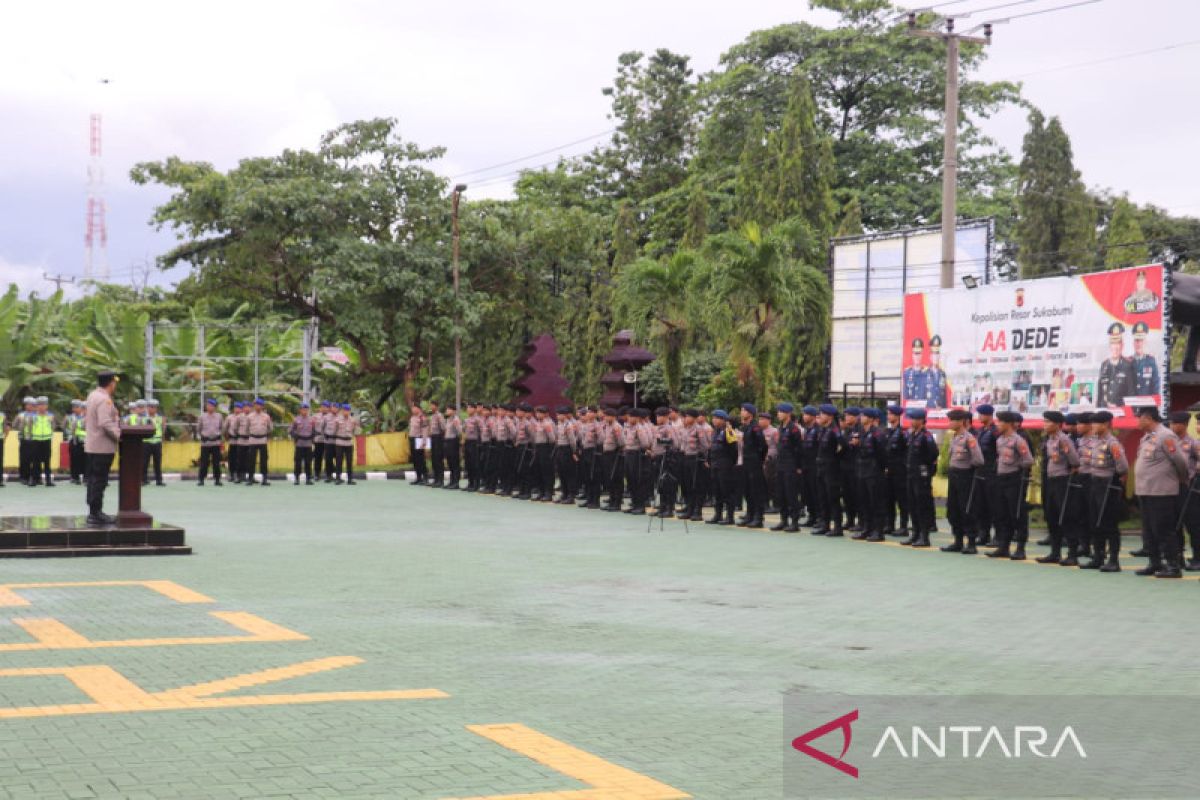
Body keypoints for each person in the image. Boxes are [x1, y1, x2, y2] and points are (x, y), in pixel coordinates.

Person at [1133, 406, 1187, 578]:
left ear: (1148, 418)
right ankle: (1154, 562)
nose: (1137, 421)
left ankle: (1173, 565)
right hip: (1146, 490)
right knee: (1149, 530)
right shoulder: (1147, 438)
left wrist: (1181, 479)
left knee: (1163, 529)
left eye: (1139, 417)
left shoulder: (1166, 436)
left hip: (1161, 491)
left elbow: (1180, 461)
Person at [1080, 410, 1127, 572]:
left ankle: (1114, 559)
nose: (1093, 426)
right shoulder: (1094, 441)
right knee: (1095, 521)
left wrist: (1114, 477)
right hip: (1094, 483)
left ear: (1106, 424)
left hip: (1107, 485)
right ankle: (1098, 556)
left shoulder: (1112, 443)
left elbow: (1123, 466)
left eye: (1096, 423)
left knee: (1109, 522)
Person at [986, 411, 1035, 560]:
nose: (997, 425)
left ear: (1008, 423)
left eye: (1000, 422)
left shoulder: (1018, 440)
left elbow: (1028, 460)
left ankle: (1020, 548)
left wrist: (1016, 467)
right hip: (1001, 479)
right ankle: (1003, 546)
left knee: (1017, 514)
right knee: (1002, 513)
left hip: (1014, 480)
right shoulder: (1000, 440)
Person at [1036, 411, 1080, 564]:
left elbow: (1074, 460)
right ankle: (1055, 552)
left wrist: (1070, 471)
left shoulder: (1063, 440)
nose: (1045, 424)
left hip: (1062, 481)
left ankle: (1072, 554)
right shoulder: (1049, 440)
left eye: (1048, 422)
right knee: (1051, 516)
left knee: (1066, 517)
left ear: (1056, 424)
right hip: (1050, 480)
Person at [941, 408, 983, 553]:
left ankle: (971, 543)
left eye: (952, 420)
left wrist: (967, 469)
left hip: (965, 476)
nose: (950, 423)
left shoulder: (969, 438)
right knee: (953, 509)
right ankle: (957, 540)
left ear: (961, 422)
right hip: (954, 476)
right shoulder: (954, 437)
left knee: (967, 509)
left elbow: (978, 459)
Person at [84, 371, 121, 526]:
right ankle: (96, 513)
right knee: (99, 480)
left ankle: (93, 511)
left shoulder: (93, 395)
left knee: (93, 479)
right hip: (102, 446)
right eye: (115, 383)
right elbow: (105, 423)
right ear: (111, 383)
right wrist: (119, 435)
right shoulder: (104, 399)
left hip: (93, 445)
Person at [1168, 411, 1200, 571]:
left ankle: (1197, 557)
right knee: (1174, 523)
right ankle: (1178, 556)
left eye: (1175, 423)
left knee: (1193, 524)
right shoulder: (1169, 442)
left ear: (1185, 425)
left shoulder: (1193, 443)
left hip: (1189, 487)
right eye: (1171, 423)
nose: (1172, 426)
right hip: (1171, 487)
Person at [903, 408, 939, 547]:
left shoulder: (926, 436)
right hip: (911, 474)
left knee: (921, 505)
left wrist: (926, 469)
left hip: (921, 475)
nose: (911, 421)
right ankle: (915, 534)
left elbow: (933, 454)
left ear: (920, 420)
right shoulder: (913, 435)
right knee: (912, 505)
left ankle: (924, 536)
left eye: (913, 419)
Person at [813, 405, 845, 537]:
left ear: (830, 416)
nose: (820, 415)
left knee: (833, 497)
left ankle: (837, 527)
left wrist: (835, 460)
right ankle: (825, 525)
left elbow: (843, 447)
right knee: (823, 497)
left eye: (823, 413)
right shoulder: (823, 429)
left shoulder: (835, 430)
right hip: (821, 467)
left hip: (831, 468)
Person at [772, 404, 803, 532]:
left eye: (781, 411)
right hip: (780, 465)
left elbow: (799, 449)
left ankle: (794, 522)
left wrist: (798, 466)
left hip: (791, 466)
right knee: (781, 494)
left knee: (791, 495)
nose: (778, 414)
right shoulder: (780, 428)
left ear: (788, 413)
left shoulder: (794, 429)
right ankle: (783, 520)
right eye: (778, 411)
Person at [706, 410, 738, 526]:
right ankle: (717, 514)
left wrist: (730, 463)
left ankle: (730, 517)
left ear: (724, 420)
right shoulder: (714, 432)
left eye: (717, 418)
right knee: (717, 491)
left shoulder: (729, 431)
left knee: (727, 491)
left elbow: (734, 450)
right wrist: (708, 460)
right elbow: (711, 448)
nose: (714, 420)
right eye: (713, 418)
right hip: (715, 464)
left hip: (725, 465)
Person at [738, 405, 767, 528]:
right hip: (746, 461)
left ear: (750, 413)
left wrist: (758, 460)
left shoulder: (755, 428)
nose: (741, 412)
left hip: (754, 463)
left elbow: (763, 446)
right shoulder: (746, 427)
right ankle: (749, 515)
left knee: (756, 491)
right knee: (747, 490)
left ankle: (758, 517)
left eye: (744, 410)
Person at [884, 405, 909, 537]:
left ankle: (903, 526)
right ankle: (889, 524)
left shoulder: (903, 432)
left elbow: (907, 451)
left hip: (900, 470)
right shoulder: (887, 432)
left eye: (890, 414)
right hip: (889, 470)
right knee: (889, 499)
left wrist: (904, 466)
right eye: (888, 414)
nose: (888, 416)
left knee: (902, 499)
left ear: (897, 416)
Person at [1096, 322, 1134, 408]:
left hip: (1121, 413)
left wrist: (1118, 406)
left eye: (1118, 343)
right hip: (1104, 413)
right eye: (1113, 343)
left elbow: (1131, 394)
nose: (1115, 347)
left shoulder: (1128, 365)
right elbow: (1100, 393)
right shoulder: (1104, 365)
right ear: (1109, 346)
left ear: (1122, 346)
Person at [196, 398, 224, 486]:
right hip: (205, 443)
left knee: (216, 463)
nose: (209, 407)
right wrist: (203, 436)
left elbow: (221, 428)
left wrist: (219, 437)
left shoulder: (219, 416)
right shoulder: (202, 416)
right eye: (208, 405)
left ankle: (217, 479)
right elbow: (199, 429)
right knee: (204, 462)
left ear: (214, 407)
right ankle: (201, 479)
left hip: (216, 443)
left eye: (211, 406)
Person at [29, 396, 55, 487]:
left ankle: (48, 481)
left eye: (44, 405)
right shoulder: (33, 417)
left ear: (47, 406)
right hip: (36, 440)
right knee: (35, 461)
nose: (42, 407)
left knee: (47, 461)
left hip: (47, 440)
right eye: (39, 405)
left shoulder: (51, 416)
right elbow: (29, 428)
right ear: (37, 406)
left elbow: (53, 426)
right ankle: (34, 480)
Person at [245, 398, 272, 485]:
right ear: (254, 406)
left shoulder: (266, 417)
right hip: (253, 440)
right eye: (256, 405)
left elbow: (270, 428)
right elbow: (246, 429)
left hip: (263, 440)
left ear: (262, 406)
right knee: (251, 460)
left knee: (264, 460)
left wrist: (266, 436)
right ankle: (250, 478)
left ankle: (264, 479)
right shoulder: (249, 416)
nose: (258, 406)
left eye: (260, 405)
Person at [1129, 321, 1160, 397]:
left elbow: (1156, 386)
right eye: (1137, 340)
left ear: (1145, 342)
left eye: (1141, 340)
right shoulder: (1128, 362)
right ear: (1133, 343)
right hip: (1131, 405)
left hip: (1147, 406)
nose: (1139, 344)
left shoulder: (1151, 362)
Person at [289, 402, 316, 485]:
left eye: (306, 409)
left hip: (308, 444)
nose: (304, 411)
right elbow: (291, 430)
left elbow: (314, 431)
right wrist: (295, 436)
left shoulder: (312, 420)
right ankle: (297, 478)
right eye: (303, 409)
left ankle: (308, 478)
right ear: (300, 410)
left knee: (308, 462)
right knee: (298, 462)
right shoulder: (296, 419)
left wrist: (313, 439)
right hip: (299, 444)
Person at [333, 403, 360, 484]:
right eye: (345, 410)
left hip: (349, 443)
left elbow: (356, 432)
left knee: (349, 461)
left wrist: (356, 426)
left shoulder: (353, 420)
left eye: (348, 410)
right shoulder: (337, 420)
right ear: (342, 411)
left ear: (349, 411)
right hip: (340, 442)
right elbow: (334, 431)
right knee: (339, 461)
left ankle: (350, 479)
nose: (346, 412)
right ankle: (338, 478)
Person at [142, 399, 165, 487]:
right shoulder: (143, 418)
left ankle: (159, 480)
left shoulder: (159, 417)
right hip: (146, 442)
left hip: (157, 442)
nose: (153, 409)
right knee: (144, 462)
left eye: (154, 407)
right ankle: (143, 480)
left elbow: (162, 428)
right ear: (147, 408)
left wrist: (162, 438)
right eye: (151, 407)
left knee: (157, 462)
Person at [65, 400, 87, 485]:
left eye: (77, 407)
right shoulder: (70, 417)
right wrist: (69, 435)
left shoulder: (86, 417)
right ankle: (75, 477)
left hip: (85, 440)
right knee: (74, 459)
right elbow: (65, 427)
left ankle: (86, 477)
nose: (74, 409)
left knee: (86, 460)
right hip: (74, 440)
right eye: (73, 407)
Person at [925, 335, 948, 408]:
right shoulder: (924, 373)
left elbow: (944, 395)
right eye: (934, 354)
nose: (936, 357)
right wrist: (934, 405)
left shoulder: (942, 374)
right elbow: (921, 396)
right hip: (929, 410)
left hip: (941, 411)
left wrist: (944, 409)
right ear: (930, 357)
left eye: (937, 354)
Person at [903, 338, 927, 406]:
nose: (917, 356)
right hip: (910, 410)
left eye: (919, 354)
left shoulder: (927, 373)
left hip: (924, 410)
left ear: (922, 355)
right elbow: (905, 396)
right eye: (915, 354)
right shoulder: (907, 373)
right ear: (912, 355)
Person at [408, 405, 428, 486]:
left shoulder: (422, 418)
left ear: (418, 408)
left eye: (414, 408)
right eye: (412, 408)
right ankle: (418, 477)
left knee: (421, 459)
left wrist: (424, 441)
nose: (412, 409)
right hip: (412, 439)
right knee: (415, 459)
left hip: (419, 439)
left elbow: (425, 430)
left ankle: (425, 477)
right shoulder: (412, 418)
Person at [444, 404, 463, 490]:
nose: (447, 411)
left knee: (455, 462)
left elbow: (459, 432)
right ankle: (452, 481)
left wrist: (457, 425)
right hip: (448, 442)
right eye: (447, 409)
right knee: (450, 462)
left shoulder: (456, 419)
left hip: (454, 441)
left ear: (454, 411)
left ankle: (456, 482)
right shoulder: (448, 419)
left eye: (449, 409)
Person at [428, 400, 445, 487]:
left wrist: (441, 439)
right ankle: (436, 479)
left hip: (438, 438)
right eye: (430, 405)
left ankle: (440, 480)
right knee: (434, 459)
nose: (431, 407)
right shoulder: (432, 416)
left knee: (438, 459)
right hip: (433, 438)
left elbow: (443, 428)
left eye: (432, 405)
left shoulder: (439, 415)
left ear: (436, 406)